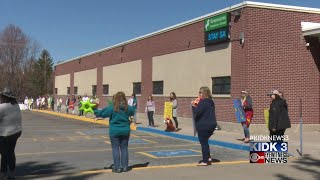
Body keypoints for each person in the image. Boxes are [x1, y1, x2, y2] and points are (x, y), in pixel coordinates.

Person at [94, 92, 134, 173]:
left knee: (115, 148)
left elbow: (101, 114)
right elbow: (132, 111)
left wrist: (95, 108)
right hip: (125, 131)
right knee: (124, 148)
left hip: (114, 131)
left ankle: (117, 167)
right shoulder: (127, 107)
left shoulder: (112, 107)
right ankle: (125, 167)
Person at [0, 88, 22, 179]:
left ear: (4, 97)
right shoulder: (16, 105)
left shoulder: (2, 107)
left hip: (6, 134)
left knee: (5, 154)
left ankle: (6, 173)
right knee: (9, 152)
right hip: (16, 132)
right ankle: (8, 173)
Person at [191, 87, 217, 166]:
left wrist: (193, 106)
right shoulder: (210, 101)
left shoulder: (203, 102)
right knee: (205, 141)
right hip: (211, 124)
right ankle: (208, 157)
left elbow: (198, 112)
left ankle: (205, 161)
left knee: (203, 143)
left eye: (200, 92)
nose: (199, 94)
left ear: (204, 94)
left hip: (204, 125)